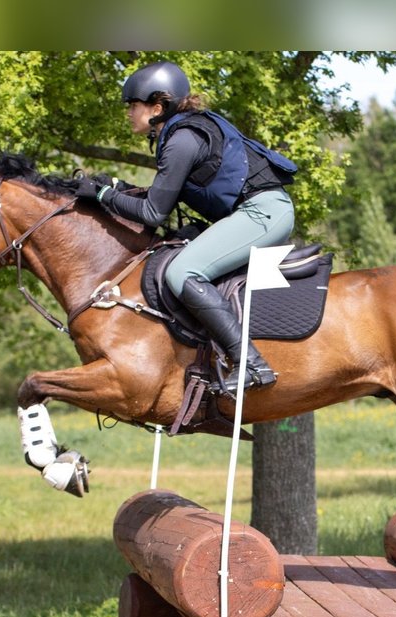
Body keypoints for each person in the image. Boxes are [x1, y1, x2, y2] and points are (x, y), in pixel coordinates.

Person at [75, 61, 297, 393]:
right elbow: (160, 196)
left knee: (181, 272)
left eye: (133, 105)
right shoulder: (180, 133)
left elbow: (152, 213)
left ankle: (249, 362)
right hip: (253, 212)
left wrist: (105, 195)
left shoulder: (182, 140)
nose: (128, 112)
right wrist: (118, 188)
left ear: (157, 106)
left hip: (262, 213)